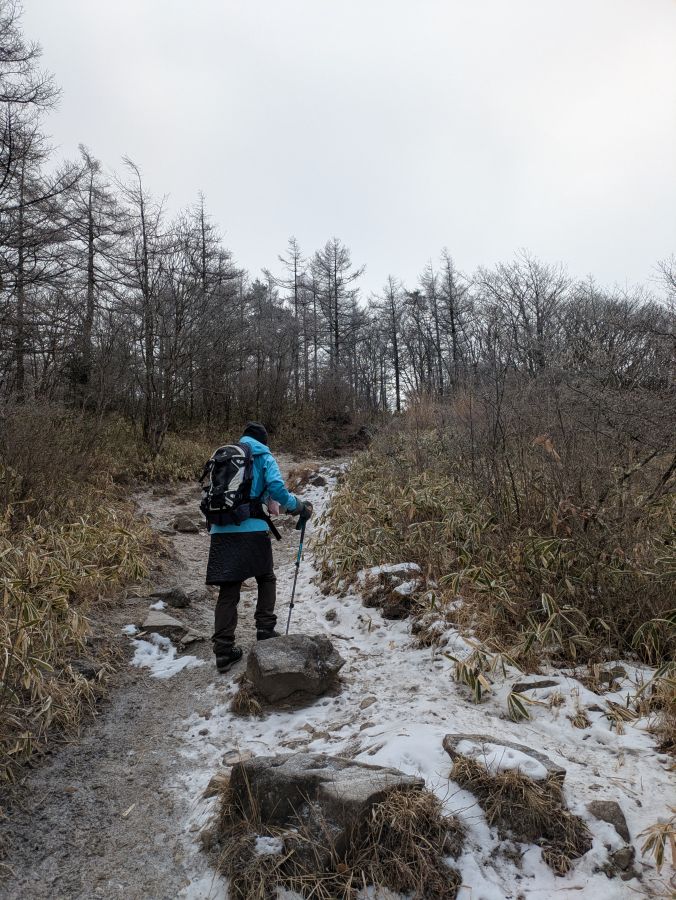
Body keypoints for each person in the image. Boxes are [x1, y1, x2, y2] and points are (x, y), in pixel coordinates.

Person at [205, 421, 312, 673]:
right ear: (264, 440)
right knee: (266, 577)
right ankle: (264, 629)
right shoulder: (263, 455)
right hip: (252, 529)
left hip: (221, 529)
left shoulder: (226, 454)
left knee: (228, 590)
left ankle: (223, 650)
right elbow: (276, 488)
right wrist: (296, 505)